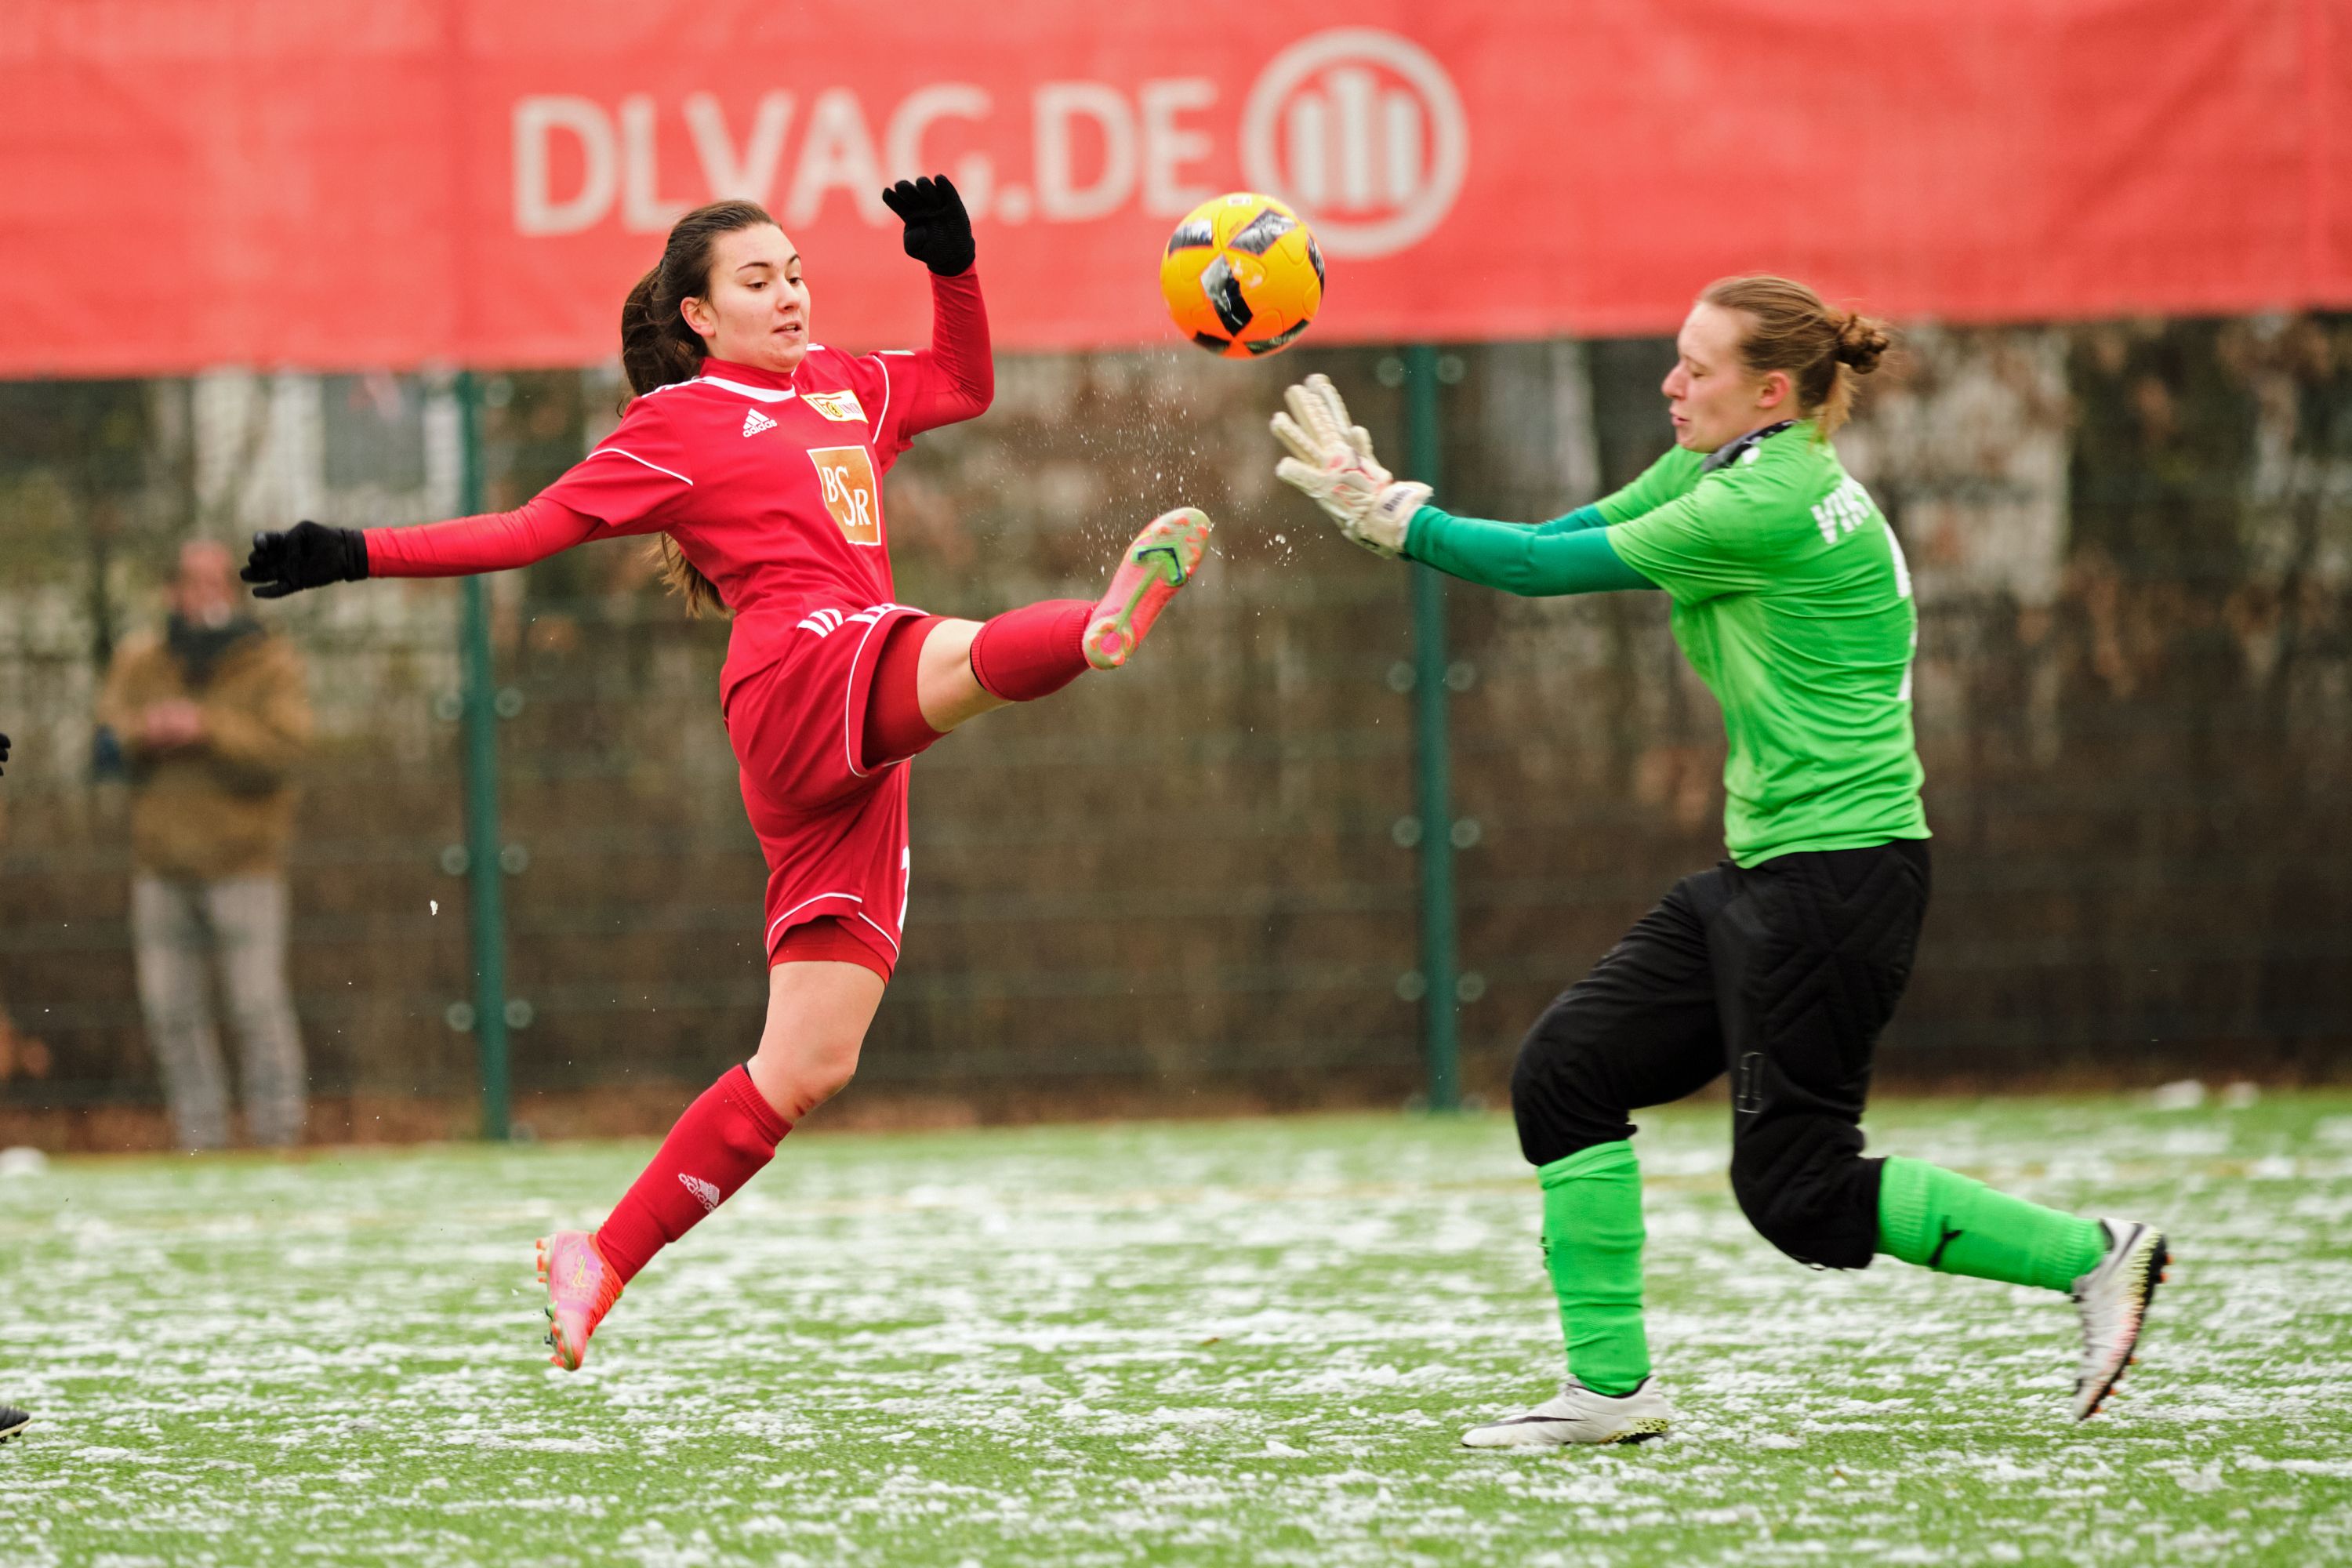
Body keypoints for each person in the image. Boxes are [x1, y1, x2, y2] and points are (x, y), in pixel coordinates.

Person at [241, 177, 1213, 1370]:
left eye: (796, 272)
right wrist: (352, 551)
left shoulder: (850, 388)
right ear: (698, 318)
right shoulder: (678, 423)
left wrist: (952, 268)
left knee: (809, 1064)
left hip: (863, 738)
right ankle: (1086, 630)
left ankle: (597, 1257)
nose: (791, 294)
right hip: (803, 680)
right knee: (939, 647)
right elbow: (528, 531)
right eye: (758, 281)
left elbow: (964, 384)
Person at [1272, 276, 2168, 1446]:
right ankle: (1610, 1393)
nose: (1669, 383)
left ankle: (2094, 1258)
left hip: (1838, 884)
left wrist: (1397, 527)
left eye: (1695, 367)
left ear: (1772, 391)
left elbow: (1544, 579)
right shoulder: (1721, 470)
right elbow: (1562, 540)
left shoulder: (1767, 503)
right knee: (1566, 1071)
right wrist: (1395, 506)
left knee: (1798, 1193)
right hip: (1777, 876)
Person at [97, 541, 313, 1151]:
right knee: (171, 1014)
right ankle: (200, 1139)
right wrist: (146, 731)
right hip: (160, 867)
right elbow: (106, 738)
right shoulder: (140, 660)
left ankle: (278, 1136)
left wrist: (208, 728)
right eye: (193, 582)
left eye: (218, 582)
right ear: (172, 591)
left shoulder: (269, 663)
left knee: (256, 1007)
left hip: (244, 864)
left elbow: (287, 750)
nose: (206, 594)